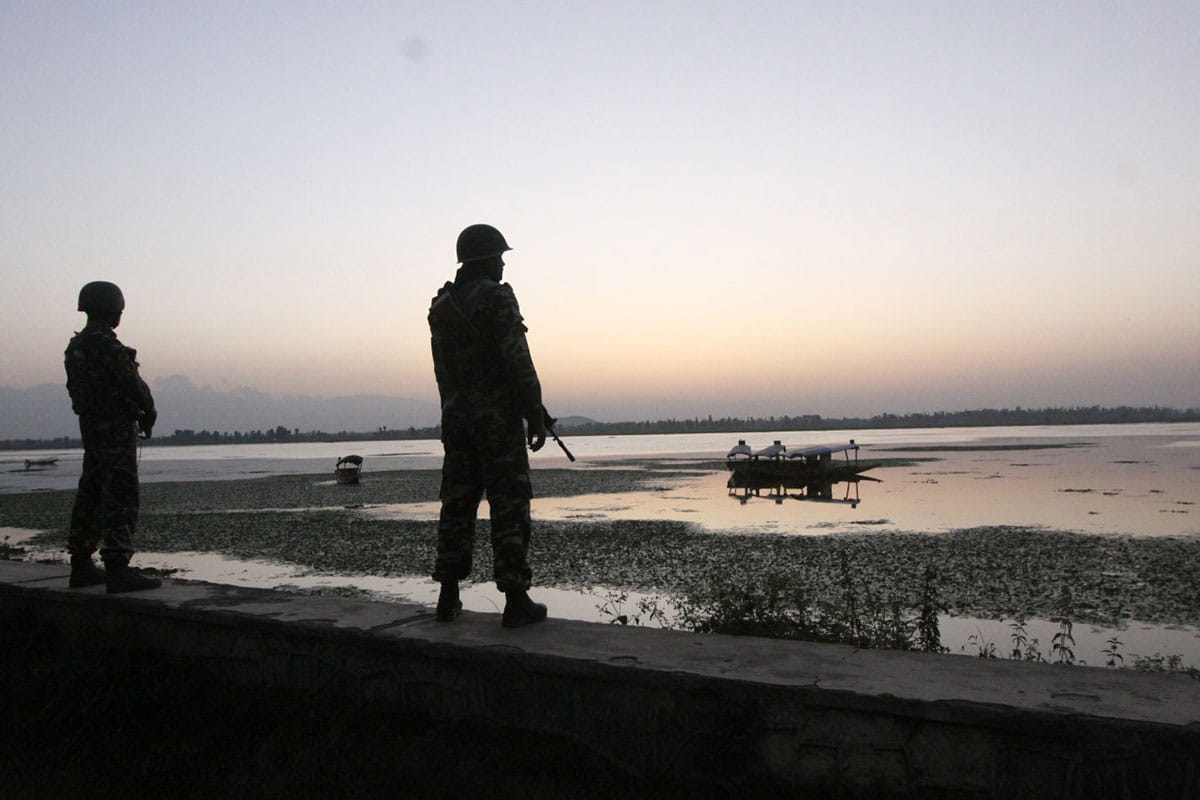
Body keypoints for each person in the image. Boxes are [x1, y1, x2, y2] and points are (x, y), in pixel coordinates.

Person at [427, 223, 549, 628]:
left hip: (457, 420)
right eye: (499, 257)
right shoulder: (497, 297)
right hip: (496, 421)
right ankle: (515, 599)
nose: (502, 265)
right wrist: (534, 409)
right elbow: (517, 357)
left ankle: (447, 595)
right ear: (485, 259)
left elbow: (443, 372)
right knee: (509, 502)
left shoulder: (442, 305)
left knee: (457, 504)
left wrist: (457, 411)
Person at [64, 281, 161, 593]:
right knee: (119, 493)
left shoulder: (76, 347)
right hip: (115, 430)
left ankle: (80, 563)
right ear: (113, 310)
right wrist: (148, 409)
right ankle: (117, 567)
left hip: (91, 430)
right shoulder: (107, 346)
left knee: (90, 491)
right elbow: (133, 385)